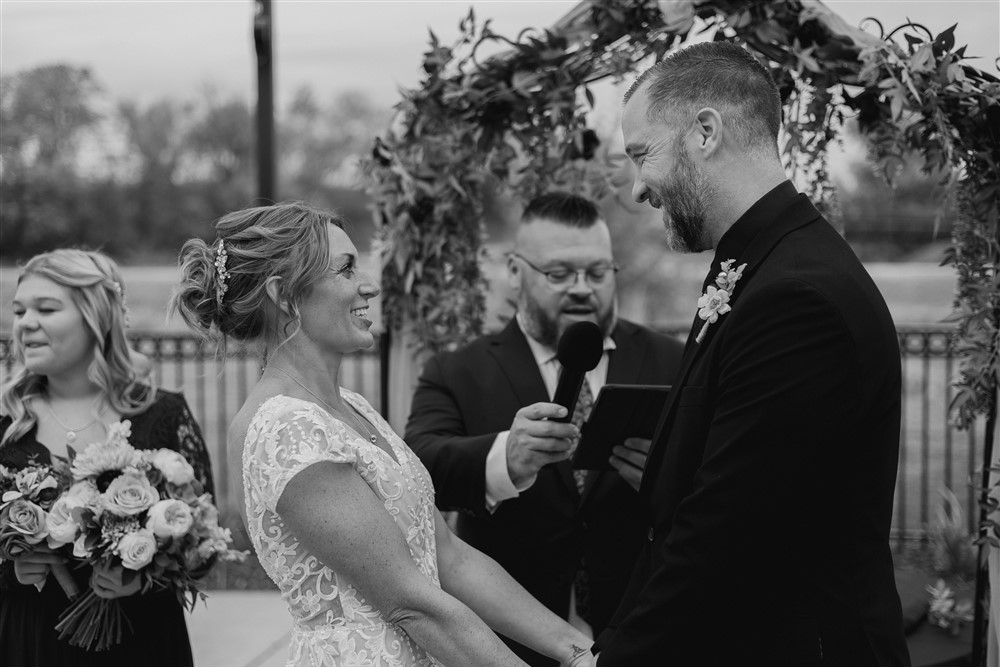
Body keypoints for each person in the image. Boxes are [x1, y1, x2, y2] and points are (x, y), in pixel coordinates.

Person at [592, 41, 910, 666]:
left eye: (641, 155)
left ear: (705, 131)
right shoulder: (759, 264)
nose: (636, 190)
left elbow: (727, 530)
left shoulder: (797, 296)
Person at [172, 201, 596, 667]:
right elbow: (409, 602)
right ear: (284, 295)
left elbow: (449, 559)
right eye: (346, 269)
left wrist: (577, 651)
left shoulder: (353, 407)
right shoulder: (284, 429)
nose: (369, 285)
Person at [404, 192, 685, 666]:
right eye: (559, 274)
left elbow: (722, 472)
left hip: (645, 634)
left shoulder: (672, 360)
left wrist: (667, 478)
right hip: (511, 646)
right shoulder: (457, 371)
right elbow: (417, 467)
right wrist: (503, 459)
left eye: (597, 274)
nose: (582, 288)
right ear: (515, 272)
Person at [0, 248, 214, 667]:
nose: (25, 324)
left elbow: (203, 545)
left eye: (45, 308)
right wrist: (11, 570)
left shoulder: (162, 415)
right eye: (19, 310)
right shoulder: (7, 426)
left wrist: (139, 577)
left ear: (96, 317)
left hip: (141, 640)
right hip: (31, 642)